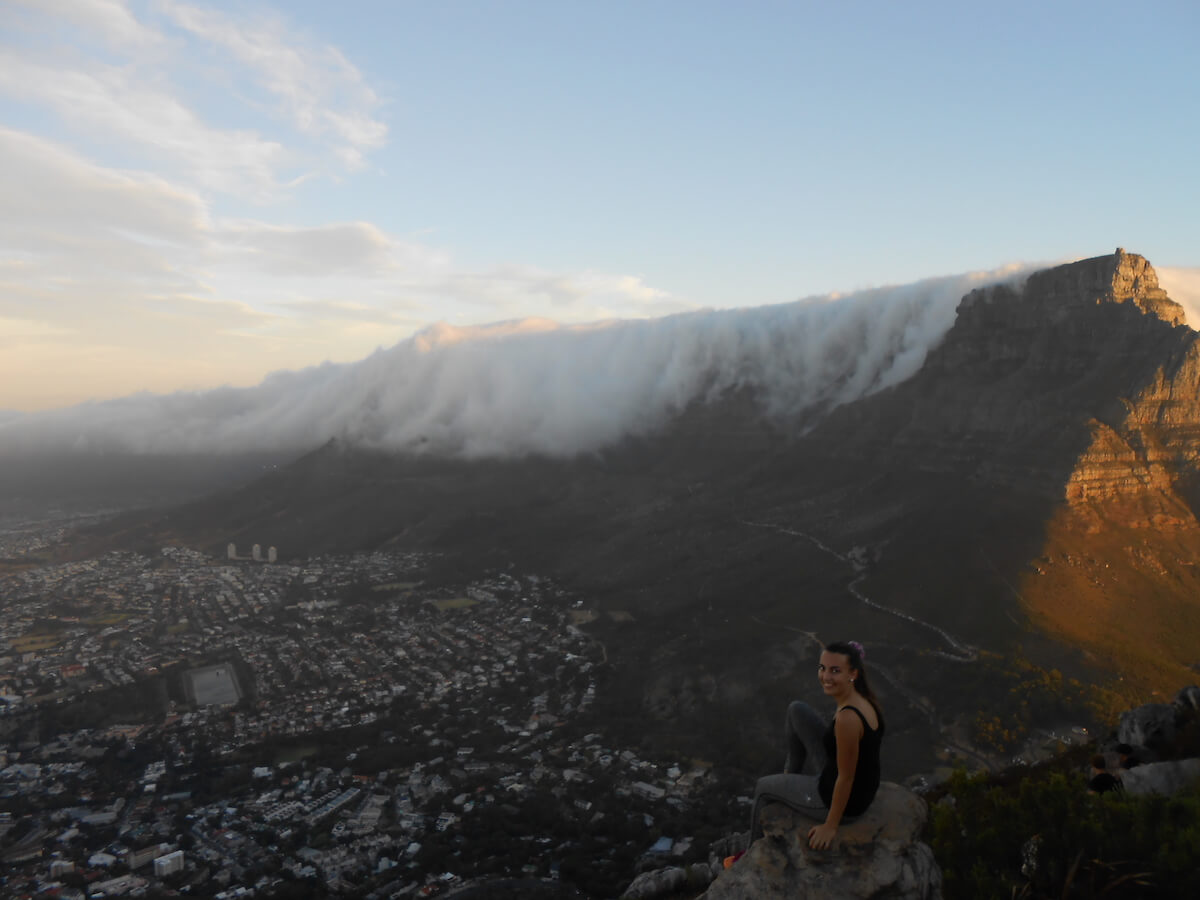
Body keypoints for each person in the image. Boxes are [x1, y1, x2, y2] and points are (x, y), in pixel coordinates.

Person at [750, 640, 885, 851]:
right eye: (823, 668)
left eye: (835, 671)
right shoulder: (864, 699)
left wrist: (830, 826)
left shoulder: (847, 719)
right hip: (853, 784)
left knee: (762, 788)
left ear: (853, 674)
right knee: (796, 710)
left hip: (840, 800)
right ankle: (789, 778)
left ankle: (752, 850)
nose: (825, 676)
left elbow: (846, 777)